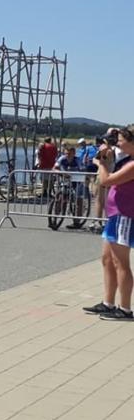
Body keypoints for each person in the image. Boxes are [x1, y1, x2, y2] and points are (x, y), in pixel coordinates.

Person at [83, 125, 134, 321]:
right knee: (107, 259)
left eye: (121, 140)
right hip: (114, 214)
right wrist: (106, 156)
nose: (118, 143)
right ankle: (108, 302)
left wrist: (101, 164)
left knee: (121, 263)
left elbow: (106, 180)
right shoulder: (126, 159)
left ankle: (125, 308)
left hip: (124, 215)